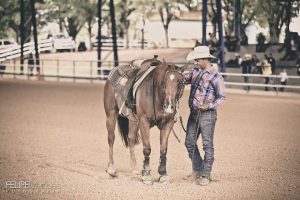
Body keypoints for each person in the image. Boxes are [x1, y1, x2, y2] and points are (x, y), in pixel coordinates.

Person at [183, 46, 225, 186]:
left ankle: (206, 175)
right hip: (194, 113)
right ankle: (198, 170)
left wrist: (208, 105)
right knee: (189, 142)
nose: (195, 62)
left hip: (208, 115)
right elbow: (182, 78)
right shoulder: (195, 72)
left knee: (207, 145)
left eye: (197, 59)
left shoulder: (216, 77)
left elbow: (221, 97)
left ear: (205, 59)